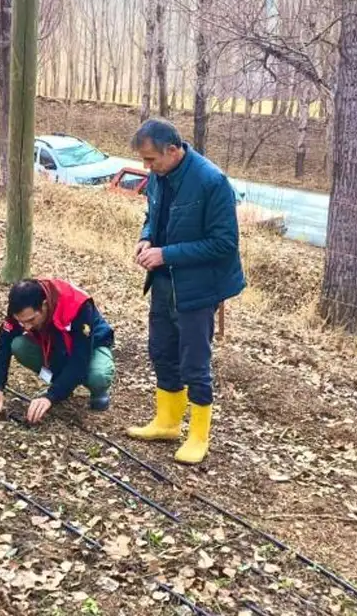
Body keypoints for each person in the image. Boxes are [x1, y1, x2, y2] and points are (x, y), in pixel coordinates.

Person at [126, 118, 245, 464]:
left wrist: (166, 254)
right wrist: (146, 238)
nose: (147, 167)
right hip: (163, 280)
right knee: (162, 350)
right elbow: (153, 216)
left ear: (174, 150)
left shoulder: (212, 182)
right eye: (145, 161)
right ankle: (167, 422)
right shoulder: (158, 177)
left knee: (195, 361)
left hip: (199, 287)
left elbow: (224, 243)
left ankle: (198, 435)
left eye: (151, 160)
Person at [0, 278, 115, 424]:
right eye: (21, 322)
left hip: (91, 344)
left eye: (31, 320)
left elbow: (80, 359)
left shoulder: (77, 305)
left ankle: (98, 392)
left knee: (98, 375)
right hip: (54, 342)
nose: (26, 327)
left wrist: (51, 396)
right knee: (19, 345)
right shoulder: (20, 307)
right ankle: (62, 383)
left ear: (44, 305)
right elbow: (3, 345)